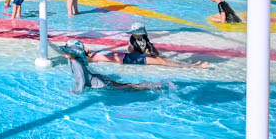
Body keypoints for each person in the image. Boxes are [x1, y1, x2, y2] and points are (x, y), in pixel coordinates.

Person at [60, 41, 155, 93]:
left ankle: (148, 87)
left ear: (75, 53)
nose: (65, 52)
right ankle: (147, 85)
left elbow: (81, 79)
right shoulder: (72, 60)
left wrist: (78, 91)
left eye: (68, 51)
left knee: (126, 87)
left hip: (99, 83)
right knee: (124, 85)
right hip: (99, 78)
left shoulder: (75, 62)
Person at [65, 39, 209, 70]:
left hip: (128, 57)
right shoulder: (91, 58)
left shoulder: (93, 54)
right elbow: (84, 59)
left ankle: (191, 65)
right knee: (161, 62)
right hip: (129, 60)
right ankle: (195, 66)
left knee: (160, 59)